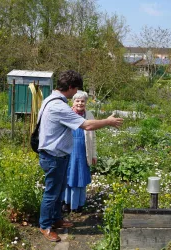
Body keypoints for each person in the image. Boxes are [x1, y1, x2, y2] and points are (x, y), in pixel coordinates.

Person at [37, 70, 123, 242]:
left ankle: (56, 219)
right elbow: (87, 126)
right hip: (53, 156)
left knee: (59, 190)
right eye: (75, 90)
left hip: (59, 155)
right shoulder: (58, 106)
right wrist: (108, 121)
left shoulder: (50, 99)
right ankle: (45, 226)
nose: (76, 94)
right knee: (52, 193)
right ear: (70, 87)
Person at [62, 91, 96, 214]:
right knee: (68, 176)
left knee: (81, 177)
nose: (80, 103)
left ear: (86, 102)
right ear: (73, 102)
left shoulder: (89, 115)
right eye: (77, 101)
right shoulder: (68, 113)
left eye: (82, 101)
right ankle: (66, 202)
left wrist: (94, 154)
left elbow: (93, 136)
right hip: (69, 150)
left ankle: (79, 204)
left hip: (83, 151)